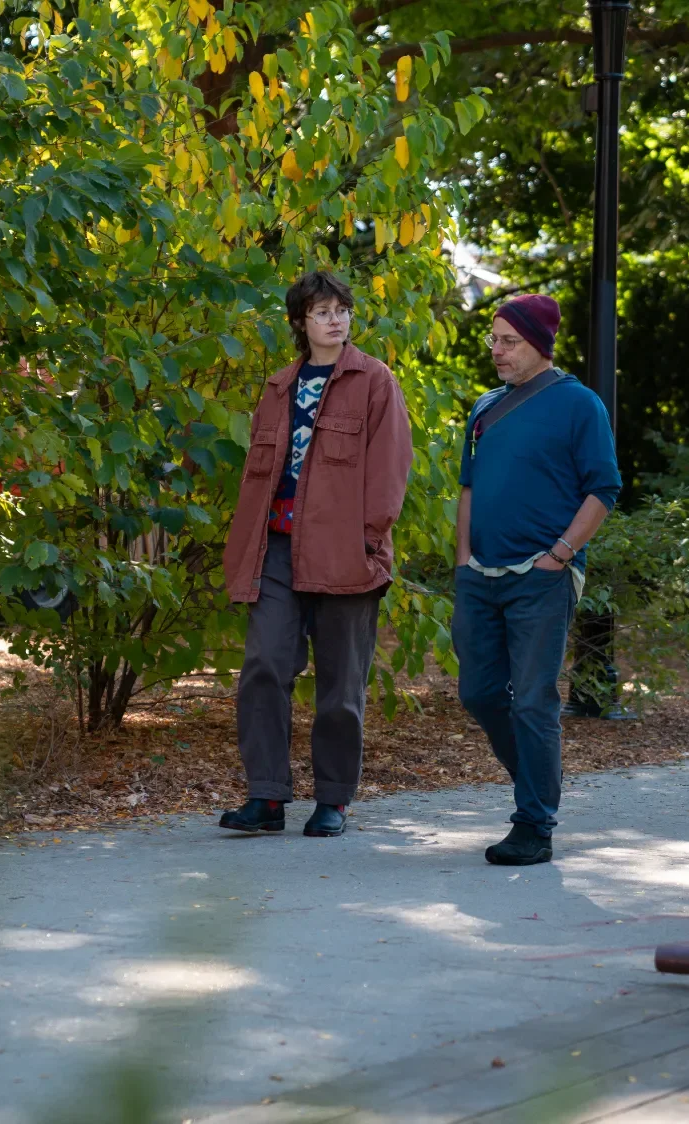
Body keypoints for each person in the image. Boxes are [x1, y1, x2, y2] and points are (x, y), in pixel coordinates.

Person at [216, 271, 414, 838]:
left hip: (347, 551)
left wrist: (370, 543)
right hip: (276, 548)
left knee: (340, 682)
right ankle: (267, 798)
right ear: (301, 323)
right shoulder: (279, 387)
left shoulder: (375, 381)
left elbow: (389, 472)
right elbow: (258, 479)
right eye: (322, 311)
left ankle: (334, 798)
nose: (335, 319)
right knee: (263, 667)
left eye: (342, 310)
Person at [453, 294, 619, 865]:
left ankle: (534, 823)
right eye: (494, 339)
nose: (496, 351)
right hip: (480, 575)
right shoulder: (485, 407)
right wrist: (461, 558)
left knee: (531, 702)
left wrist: (562, 554)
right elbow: (469, 489)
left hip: (540, 578)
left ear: (540, 345)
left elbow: (604, 489)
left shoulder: (579, 405)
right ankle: (539, 781)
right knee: (477, 692)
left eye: (509, 341)